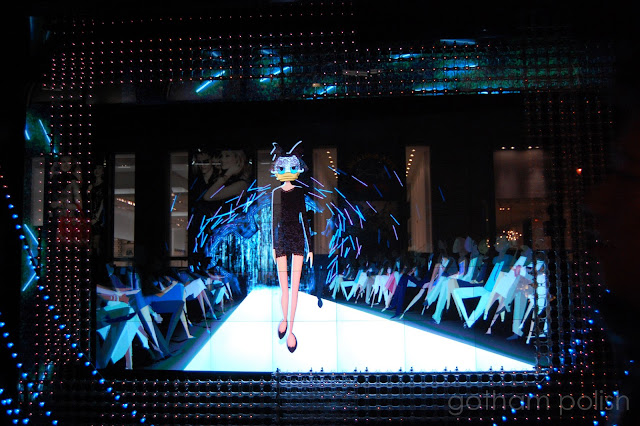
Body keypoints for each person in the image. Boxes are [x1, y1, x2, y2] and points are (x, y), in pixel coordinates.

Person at [270, 141, 314, 353]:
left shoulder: (299, 192)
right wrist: (273, 245)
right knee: (284, 287)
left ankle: (291, 328)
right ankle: (285, 319)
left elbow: (304, 219)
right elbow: (273, 220)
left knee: (294, 287)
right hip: (282, 237)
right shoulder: (276, 193)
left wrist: (310, 247)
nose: (287, 172)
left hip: (296, 236)